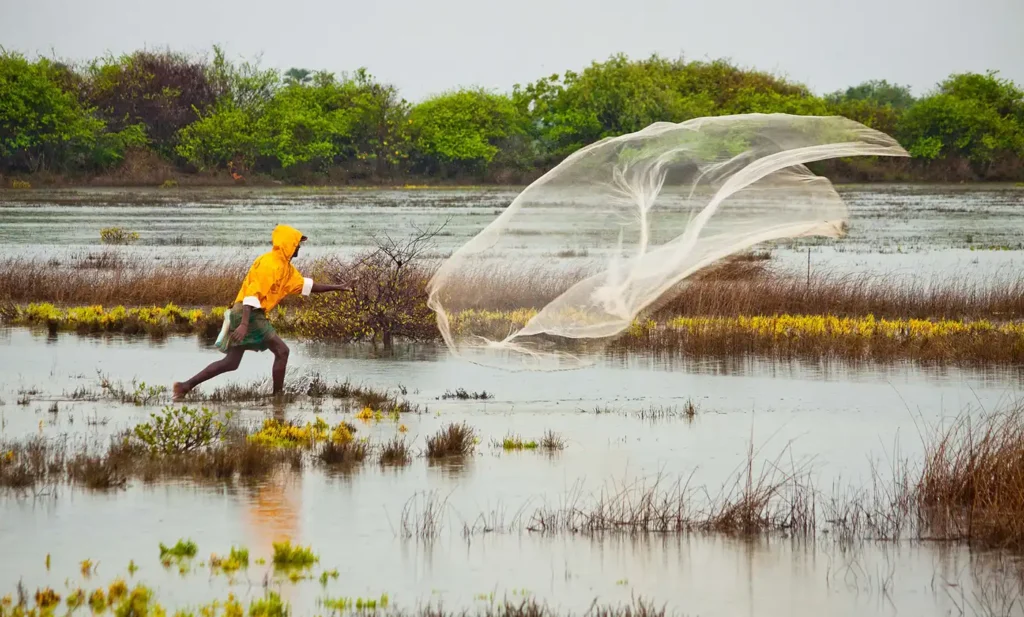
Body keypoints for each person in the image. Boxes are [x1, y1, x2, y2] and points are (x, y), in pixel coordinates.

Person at [172, 224, 346, 401]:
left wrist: (337, 288)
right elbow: (251, 295)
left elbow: (306, 285)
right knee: (282, 351)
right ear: (288, 245)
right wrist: (244, 324)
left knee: (231, 363)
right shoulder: (270, 264)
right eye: (297, 246)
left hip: (247, 313)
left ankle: (184, 386)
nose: (298, 250)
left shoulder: (285, 268)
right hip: (249, 313)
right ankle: (278, 398)